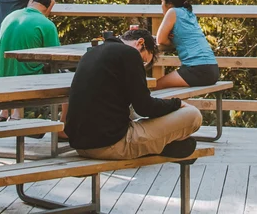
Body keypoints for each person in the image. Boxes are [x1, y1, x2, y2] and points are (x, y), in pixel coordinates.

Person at [65, 28, 202, 160]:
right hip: (110, 144)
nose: (141, 64)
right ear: (140, 42)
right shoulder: (130, 53)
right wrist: (177, 103)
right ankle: (162, 145)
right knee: (193, 115)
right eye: (143, 60)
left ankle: (161, 145)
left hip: (80, 145)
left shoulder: (92, 53)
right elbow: (145, 107)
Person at [0, 0, 61, 121]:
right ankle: (61, 126)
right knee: (66, 80)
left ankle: (4, 111)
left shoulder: (10, 16)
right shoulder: (47, 25)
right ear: (46, 8)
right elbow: (56, 55)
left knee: (13, 64)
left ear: (30, 1)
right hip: (29, 79)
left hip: (2, 76)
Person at [154, 0, 220, 89]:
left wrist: (171, 41)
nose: (161, 5)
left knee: (154, 86)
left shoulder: (172, 11)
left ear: (169, 3)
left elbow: (160, 40)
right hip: (213, 70)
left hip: (197, 69)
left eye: (162, 1)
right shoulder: (189, 13)